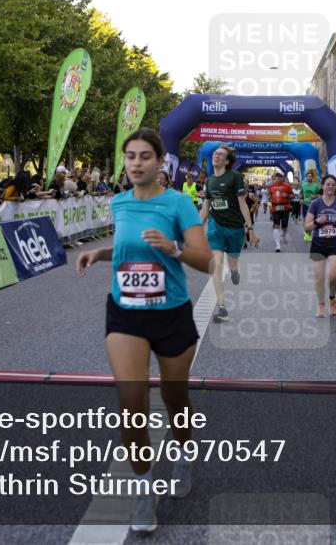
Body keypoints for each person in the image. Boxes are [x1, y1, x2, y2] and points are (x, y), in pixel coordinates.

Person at [75, 128, 212, 534]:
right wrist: (97, 253)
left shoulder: (178, 203)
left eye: (144, 156)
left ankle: (184, 451)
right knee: (132, 403)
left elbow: (206, 262)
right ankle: (143, 488)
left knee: (175, 398)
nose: (136, 163)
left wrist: (173, 249)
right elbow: (125, 247)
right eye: (130, 156)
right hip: (126, 313)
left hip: (171, 314)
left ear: (159, 161)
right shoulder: (119, 202)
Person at [201, 145, 257, 323]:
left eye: (220, 154)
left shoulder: (235, 177)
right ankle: (222, 307)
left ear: (227, 161)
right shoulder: (209, 181)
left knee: (232, 262)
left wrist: (250, 229)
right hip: (215, 227)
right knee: (216, 264)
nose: (216, 156)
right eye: (215, 153)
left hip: (235, 229)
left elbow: (242, 204)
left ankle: (234, 270)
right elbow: (205, 208)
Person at [304, 175, 336, 317]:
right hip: (318, 244)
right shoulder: (315, 204)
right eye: (328, 184)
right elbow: (306, 227)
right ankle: (321, 304)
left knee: (333, 276)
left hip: (335, 244)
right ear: (323, 186)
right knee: (319, 278)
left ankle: (332, 298)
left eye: (333, 184)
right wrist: (318, 222)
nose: (330, 187)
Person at [267, 171, 294, 251]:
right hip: (275, 208)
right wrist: (270, 206)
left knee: (284, 227)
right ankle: (278, 245)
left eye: (279, 178)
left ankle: (284, 235)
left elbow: (292, 195)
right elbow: (269, 197)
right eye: (276, 178)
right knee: (276, 226)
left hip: (285, 208)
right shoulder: (271, 186)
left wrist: (288, 195)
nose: (277, 180)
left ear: (282, 178)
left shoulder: (287, 186)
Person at [300, 170, 320, 242]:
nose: (309, 177)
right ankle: (306, 233)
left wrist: (315, 196)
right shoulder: (303, 185)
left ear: (312, 177)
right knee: (305, 219)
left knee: (311, 220)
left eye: (311, 176)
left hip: (313, 205)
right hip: (305, 204)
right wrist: (301, 199)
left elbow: (319, 195)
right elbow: (301, 193)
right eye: (308, 176)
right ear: (306, 177)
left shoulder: (315, 185)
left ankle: (309, 233)